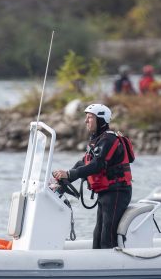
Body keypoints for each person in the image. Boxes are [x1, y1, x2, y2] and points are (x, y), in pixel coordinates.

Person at [52, 104, 133, 249]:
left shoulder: (109, 140)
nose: (86, 121)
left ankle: (111, 266)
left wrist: (70, 174)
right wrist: (65, 178)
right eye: (86, 117)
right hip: (106, 193)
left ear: (101, 120)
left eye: (90, 117)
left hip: (117, 192)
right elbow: (84, 162)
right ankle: (98, 262)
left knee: (107, 236)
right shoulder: (98, 140)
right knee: (98, 235)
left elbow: (97, 165)